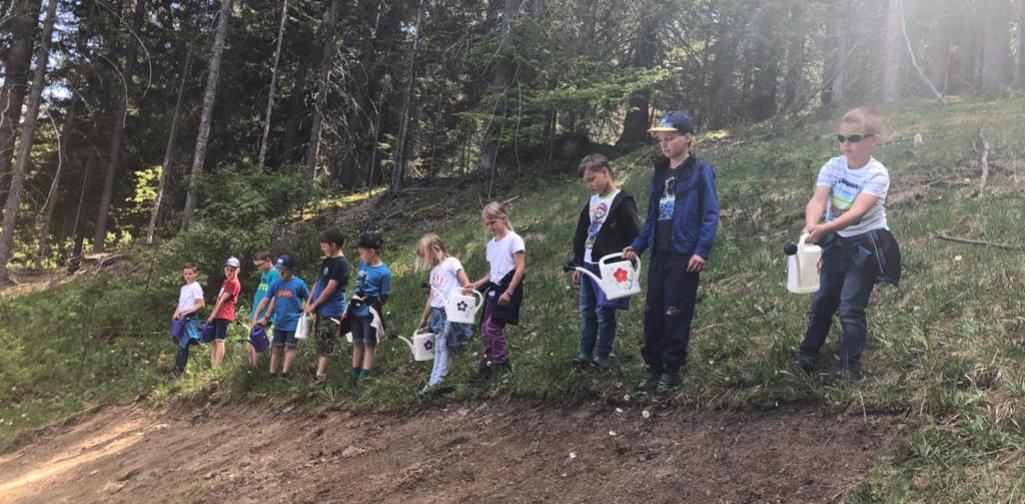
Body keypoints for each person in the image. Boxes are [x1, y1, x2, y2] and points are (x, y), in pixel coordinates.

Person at [798, 107, 900, 382]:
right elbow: (819, 199)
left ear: (873, 140)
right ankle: (807, 354)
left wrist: (822, 229)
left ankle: (849, 368)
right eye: (841, 138)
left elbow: (857, 213)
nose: (846, 145)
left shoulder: (878, 174)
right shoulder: (833, 166)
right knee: (823, 300)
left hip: (866, 245)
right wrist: (811, 225)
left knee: (850, 306)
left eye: (854, 138)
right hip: (836, 243)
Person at [623, 110, 719, 402]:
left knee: (676, 311)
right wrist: (637, 245)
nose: (665, 144)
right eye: (661, 139)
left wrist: (701, 250)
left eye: (671, 138)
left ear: (688, 138)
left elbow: (710, 213)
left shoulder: (700, 171)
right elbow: (651, 218)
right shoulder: (660, 174)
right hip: (660, 253)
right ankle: (653, 366)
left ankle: (672, 368)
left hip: (684, 253)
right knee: (653, 310)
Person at [569, 153, 641, 371]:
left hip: (608, 267)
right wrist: (578, 264)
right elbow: (582, 235)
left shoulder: (622, 202)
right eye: (586, 182)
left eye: (592, 179)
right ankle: (584, 355)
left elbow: (635, 234)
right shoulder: (591, 203)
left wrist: (633, 252)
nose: (590, 185)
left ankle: (600, 358)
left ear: (605, 172)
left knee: (604, 312)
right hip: (588, 266)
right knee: (587, 311)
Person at [465, 202, 525, 381]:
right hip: (494, 288)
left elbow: (520, 268)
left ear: (503, 218)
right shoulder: (491, 245)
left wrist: (509, 291)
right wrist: (475, 285)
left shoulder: (514, 240)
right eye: (487, 224)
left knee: (493, 327)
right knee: (484, 329)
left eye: (493, 222)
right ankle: (487, 365)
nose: (491, 227)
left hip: (508, 288)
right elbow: (492, 273)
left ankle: (502, 362)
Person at [416, 233, 473, 394]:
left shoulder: (452, 263)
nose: (427, 261)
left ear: (436, 249)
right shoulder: (433, 272)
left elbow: (465, 283)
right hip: (438, 312)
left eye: (427, 256)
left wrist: (467, 299)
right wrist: (424, 318)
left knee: (444, 343)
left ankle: (438, 379)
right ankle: (433, 380)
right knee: (439, 344)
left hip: (452, 310)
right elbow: (432, 297)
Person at [306, 228, 350, 386]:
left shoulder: (341, 264)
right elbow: (318, 283)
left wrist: (314, 305)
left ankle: (321, 378)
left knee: (326, 344)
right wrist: (309, 303)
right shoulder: (327, 261)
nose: (322, 248)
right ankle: (318, 374)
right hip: (320, 310)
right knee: (319, 341)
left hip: (331, 311)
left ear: (333, 245)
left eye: (324, 245)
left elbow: (329, 289)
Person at [255, 254, 309, 379]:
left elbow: (309, 298)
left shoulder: (299, 284)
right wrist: (262, 317)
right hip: (279, 322)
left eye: (283, 269)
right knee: (276, 348)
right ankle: (272, 374)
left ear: (291, 269)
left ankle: (285, 374)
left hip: (293, 322)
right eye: (279, 269)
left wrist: (307, 311)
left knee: (290, 348)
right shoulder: (276, 284)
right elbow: (267, 300)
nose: (281, 272)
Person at [349, 232, 391, 384]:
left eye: (361, 253)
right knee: (357, 341)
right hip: (356, 308)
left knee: (369, 342)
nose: (360, 256)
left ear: (372, 252)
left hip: (370, 311)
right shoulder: (363, 265)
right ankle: (354, 372)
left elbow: (385, 294)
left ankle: (365, 374)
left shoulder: (383, 272)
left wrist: (375, 306)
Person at [170, 263, 205, 384]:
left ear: (195, 274)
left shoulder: (196, 286)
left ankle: (177, 374)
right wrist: (176, 313)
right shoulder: (183, 288)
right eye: (186, 274)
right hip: (181, 318)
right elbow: (181, 304)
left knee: (183, 345)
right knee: (179, 343)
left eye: (190, 273)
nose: (188, 276)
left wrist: (186, 313)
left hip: (190, 318)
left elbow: (200, 304)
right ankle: (177, 373)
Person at [206, 257, 242, 369]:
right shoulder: (225, 282)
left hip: (224, 315)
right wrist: (213, 314)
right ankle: (213, 366)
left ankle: (217, 367)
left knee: (219, 340)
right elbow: (218, 299)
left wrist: (212, 316)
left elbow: (222, 301)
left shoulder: (234, 283)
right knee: (213, 341)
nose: (229, 272)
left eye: (232, 270)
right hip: (218, 314)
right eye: (227, 269)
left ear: (238, 270)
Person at [247, 251, 280, 366]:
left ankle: (259, 372)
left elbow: (273, 297)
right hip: (257, 315)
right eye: (256, 266)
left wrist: (266, 317)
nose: (258, 268)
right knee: (251, 345)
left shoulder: (275, 274)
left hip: (266, 318)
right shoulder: (264, 273)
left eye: (259, 265)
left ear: (268, 260)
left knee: (260, 346)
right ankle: (251, 370)